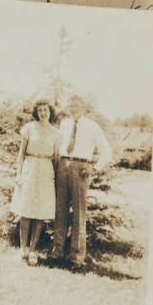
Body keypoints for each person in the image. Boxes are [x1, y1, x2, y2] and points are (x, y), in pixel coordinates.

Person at [51, 96, 112, 268]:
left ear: (83, 108)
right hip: (63, 165)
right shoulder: (64, 124)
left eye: (76, 106)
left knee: (79, 213)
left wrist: (94, 168)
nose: (73, 109)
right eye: (70, 106)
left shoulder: (92, 126)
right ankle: (57, 252)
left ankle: (76, 257)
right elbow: (57, 146)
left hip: (81, 168)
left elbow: (107, 152)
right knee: (60, 210)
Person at [9, 100, 59, 264]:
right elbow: (21, 154)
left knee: (40, 211)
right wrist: (18, 174)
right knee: (26, 209)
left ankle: (33, 250)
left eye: (45, 110)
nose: (43, 113)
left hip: (46, 171)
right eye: (40, 111)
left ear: (50, 112)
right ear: (36, 113)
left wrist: (56, 178)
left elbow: (56, 158)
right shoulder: (29, 128)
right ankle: (22, 249)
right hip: (29, 169)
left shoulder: (55, 132)